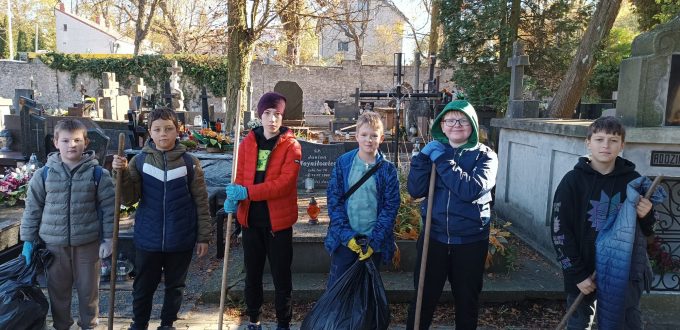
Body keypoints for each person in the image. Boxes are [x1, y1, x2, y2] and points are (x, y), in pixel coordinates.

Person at [550, 116, 656, 329]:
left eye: (613, 140)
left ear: (622, 145)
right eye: (599, 139)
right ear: (588, 142)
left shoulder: (632, 181)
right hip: (584, 268)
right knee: (580, 323)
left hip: (621, 268)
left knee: (624, 323)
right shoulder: (572, 181)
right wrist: (577, 274)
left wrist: (647, 215)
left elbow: (646, 231)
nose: (606, 146)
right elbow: (559, 231)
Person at [112, 108, 211, 330]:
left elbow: (201, 202)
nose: (163, 134)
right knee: (143, 286)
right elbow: (129, 199)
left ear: (178, 131)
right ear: (149, 132)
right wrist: (121, 174)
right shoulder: (140, 161)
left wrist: (203, 236)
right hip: (149, 238)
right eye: (157, 129)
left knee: (175, 286)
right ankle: (139, 324)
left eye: (168, 129)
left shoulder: (190, 163)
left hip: (181, 237)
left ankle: (167, 324)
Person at [406, 100, 498, 330]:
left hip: (470, 241)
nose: (456, 125)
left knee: (467, 302)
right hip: (433, 238)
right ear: (442, 125)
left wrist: (442, 160)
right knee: (422, 300)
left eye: (463, 120)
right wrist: (420, 160)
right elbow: (416, 190)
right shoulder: (435, 152)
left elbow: (469, 190)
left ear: (473, 126)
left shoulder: (485, 157)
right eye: (450, 120)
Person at [20, 118, 115, 330]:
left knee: (88, 291)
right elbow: (33, 209)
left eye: (76, 140)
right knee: (58, 292)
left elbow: (109, 209)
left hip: (87, 244)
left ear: (86, 142)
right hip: (54, 246)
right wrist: (28, 240)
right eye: (65, 140)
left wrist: (109, 239)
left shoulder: (98, 174)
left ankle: (89, 325)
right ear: (55, 143)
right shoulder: (43, 175)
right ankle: (62, 325)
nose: (71, 145)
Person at [223, 92, 302, 330]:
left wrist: (248, 193)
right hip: (250, 221)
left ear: (282, 116)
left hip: (277, 223)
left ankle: (283, 323)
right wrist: (234, 196)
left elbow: (284, 184)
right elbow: (240, 176)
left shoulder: (292, 146)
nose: (272, 119)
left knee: (281, 277)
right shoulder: (248, 143)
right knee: (252, 275)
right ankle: (254, 319)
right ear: (260, 115)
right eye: (267, 113)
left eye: (277, 114)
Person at [324, 111, 400, 288]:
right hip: (345, 241)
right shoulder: (343, 164)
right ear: (356, 136)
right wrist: (347, 236)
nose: (369, 140)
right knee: (340, 289)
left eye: (374, 135)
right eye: (364, 135)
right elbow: (334, 201)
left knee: (367, 291)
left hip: (373, 241)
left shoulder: (387, 170)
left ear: (381, 138)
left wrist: (374, 241)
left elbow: (390, 207)